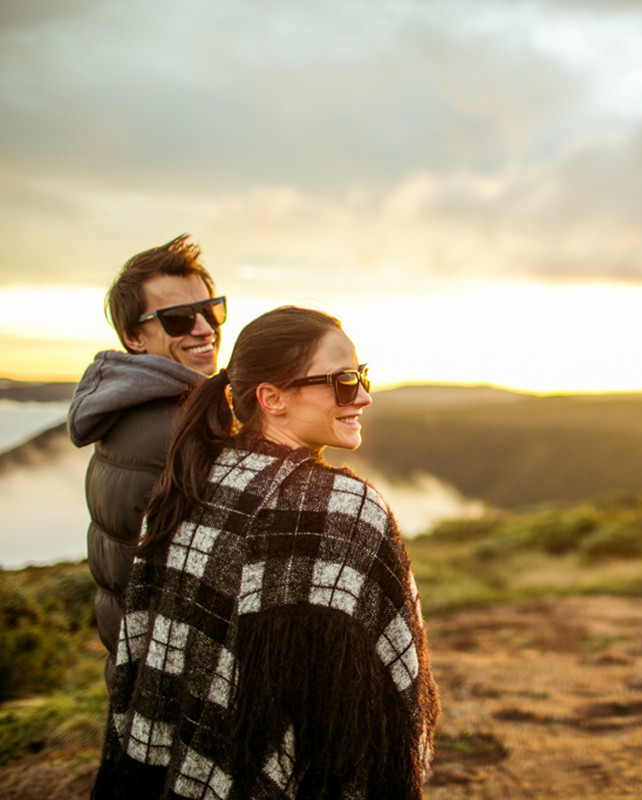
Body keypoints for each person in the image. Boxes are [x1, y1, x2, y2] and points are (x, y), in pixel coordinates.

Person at [92, 306, 440, 799]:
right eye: (343, 381)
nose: (363, 395)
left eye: (361, 375)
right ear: (272, 398)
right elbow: (391, 692)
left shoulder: (184, 487)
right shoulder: (348, 508)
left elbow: (146, 652)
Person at [68, 234, 224, 692]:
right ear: (134, 337)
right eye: (178, 319)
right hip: (177, 683)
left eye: (211, 310)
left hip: (139, 670)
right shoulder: (179, 431)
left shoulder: (127, 410)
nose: (204, 328)